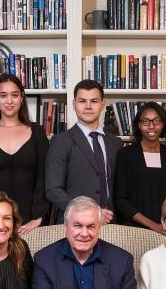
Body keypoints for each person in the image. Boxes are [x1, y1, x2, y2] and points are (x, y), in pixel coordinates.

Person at [0, 74, 50, 235]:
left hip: (31, 220)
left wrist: (38, 216)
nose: (9, 101)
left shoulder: (37, 132)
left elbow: (44, 177)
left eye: (14, 95)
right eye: (3, 95)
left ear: (22, 98)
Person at [45, 80, 123, 223]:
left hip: (111, 223)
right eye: (82, 101)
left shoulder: (115, 143)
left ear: (102, 104)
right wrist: (92, 213)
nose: (88, 106)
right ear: (74, 105)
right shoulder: (61, 141)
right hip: (74, 223)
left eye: (94, 101)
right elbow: (53, 190)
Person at [114, 102, 166, 232]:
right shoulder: (125, 155)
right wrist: (153, 226)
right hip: (133, 229)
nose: (151, 126)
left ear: (163, 124)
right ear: (139, 125)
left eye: (156, 121)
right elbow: (120, 199)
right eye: (145, 121)